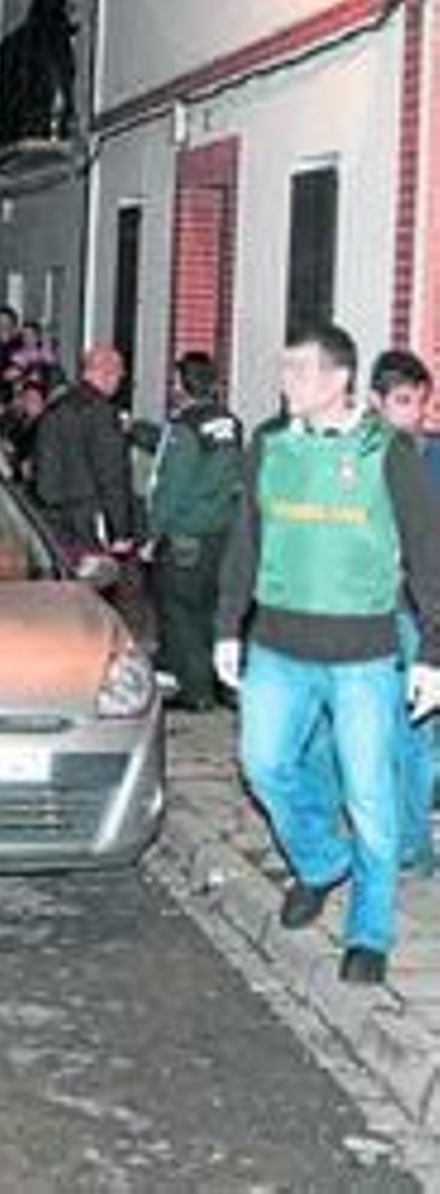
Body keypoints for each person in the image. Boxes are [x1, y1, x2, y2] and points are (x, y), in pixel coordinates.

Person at [213, 323, 440, 984]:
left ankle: (369, 930)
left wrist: (431, 653)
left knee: (371, 794)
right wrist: (228, 626)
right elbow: (246, 538)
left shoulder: (386, 452)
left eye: (300, 370)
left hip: (363, 655)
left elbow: (427, 555)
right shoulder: (269, 445)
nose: (286, 381)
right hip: (278, 648)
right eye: (285, 369)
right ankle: (319, 860)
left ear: (339, 380)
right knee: (263, 764)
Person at [141, 350, 244, 710]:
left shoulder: (184, 426)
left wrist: (152, 536)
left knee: (179, 612)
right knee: (209, 611)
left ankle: (196, 691)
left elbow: (172, 486)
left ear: (183, 385)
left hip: (185, 536)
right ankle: (222, 684)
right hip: (221, 534)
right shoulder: (230, 423)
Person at [370, 347, 439, 874]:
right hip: (362, 613)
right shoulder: (357, 456)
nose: (414, 413)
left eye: (420, 402)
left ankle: (411, 843)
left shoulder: (430, 458)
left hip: (414, 614)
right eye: (403, 401)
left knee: (414, 732)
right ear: (376, 401)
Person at [30, 343, 134, 555]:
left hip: (53, 519)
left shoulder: (56, 407)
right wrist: (121, 531)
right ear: (107, 373)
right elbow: (111, 476)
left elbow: (42, 470)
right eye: (119, 374)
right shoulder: (102, 412)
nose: (120, 381)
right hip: (88, 521)